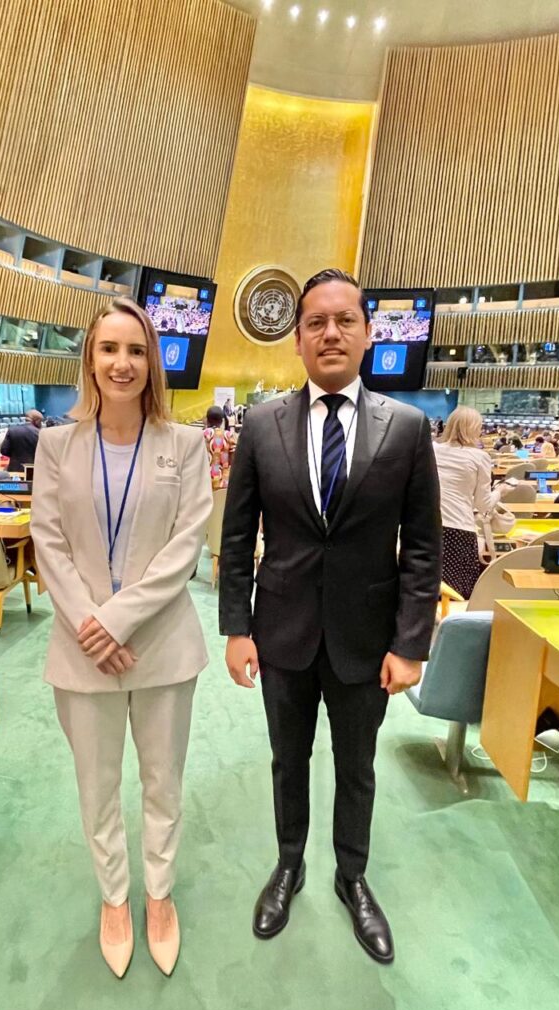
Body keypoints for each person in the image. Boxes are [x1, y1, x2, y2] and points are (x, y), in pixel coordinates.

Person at [219, 269, 442, 965]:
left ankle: (353, 876)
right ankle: (289, 865)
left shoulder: (406, 428)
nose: (331, 333)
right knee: (288, 761)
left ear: (369, 334)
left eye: (345, 320)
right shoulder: (262, 425)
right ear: (298, 340)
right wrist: (236, 628)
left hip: (365, 639)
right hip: (281, 633)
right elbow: (237, 536)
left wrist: (411, 643)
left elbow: (423, 546)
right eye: (316, 322)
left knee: (357, 767)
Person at [31, 297, 212, 979]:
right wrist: (91, 623)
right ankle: (115, 897)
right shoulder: (56, 446)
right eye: (109, 348)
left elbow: (184, 546)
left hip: (161, 645)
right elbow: (49, 543)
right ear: (90, 358)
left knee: (163, 782)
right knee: (97, 785)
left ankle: (158, 895)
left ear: (152, 363)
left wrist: (115, 621)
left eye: (136, 350)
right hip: (82, 649)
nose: (122, 363)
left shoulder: (184, 445)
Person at [434, 407, 515, 599]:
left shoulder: (432, 449)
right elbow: (484, 505)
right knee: (456, 596)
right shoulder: (479, 457)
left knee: (427, 591)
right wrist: (501, 491)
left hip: (426, 529)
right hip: (459, 530)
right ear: (474, 429)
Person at [203, 405, 236, 490]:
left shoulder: (202, 434)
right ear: (222, 421)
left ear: (207, 420)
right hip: (224, 482)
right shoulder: (228, 435)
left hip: (205, 482)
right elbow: (234, 459)